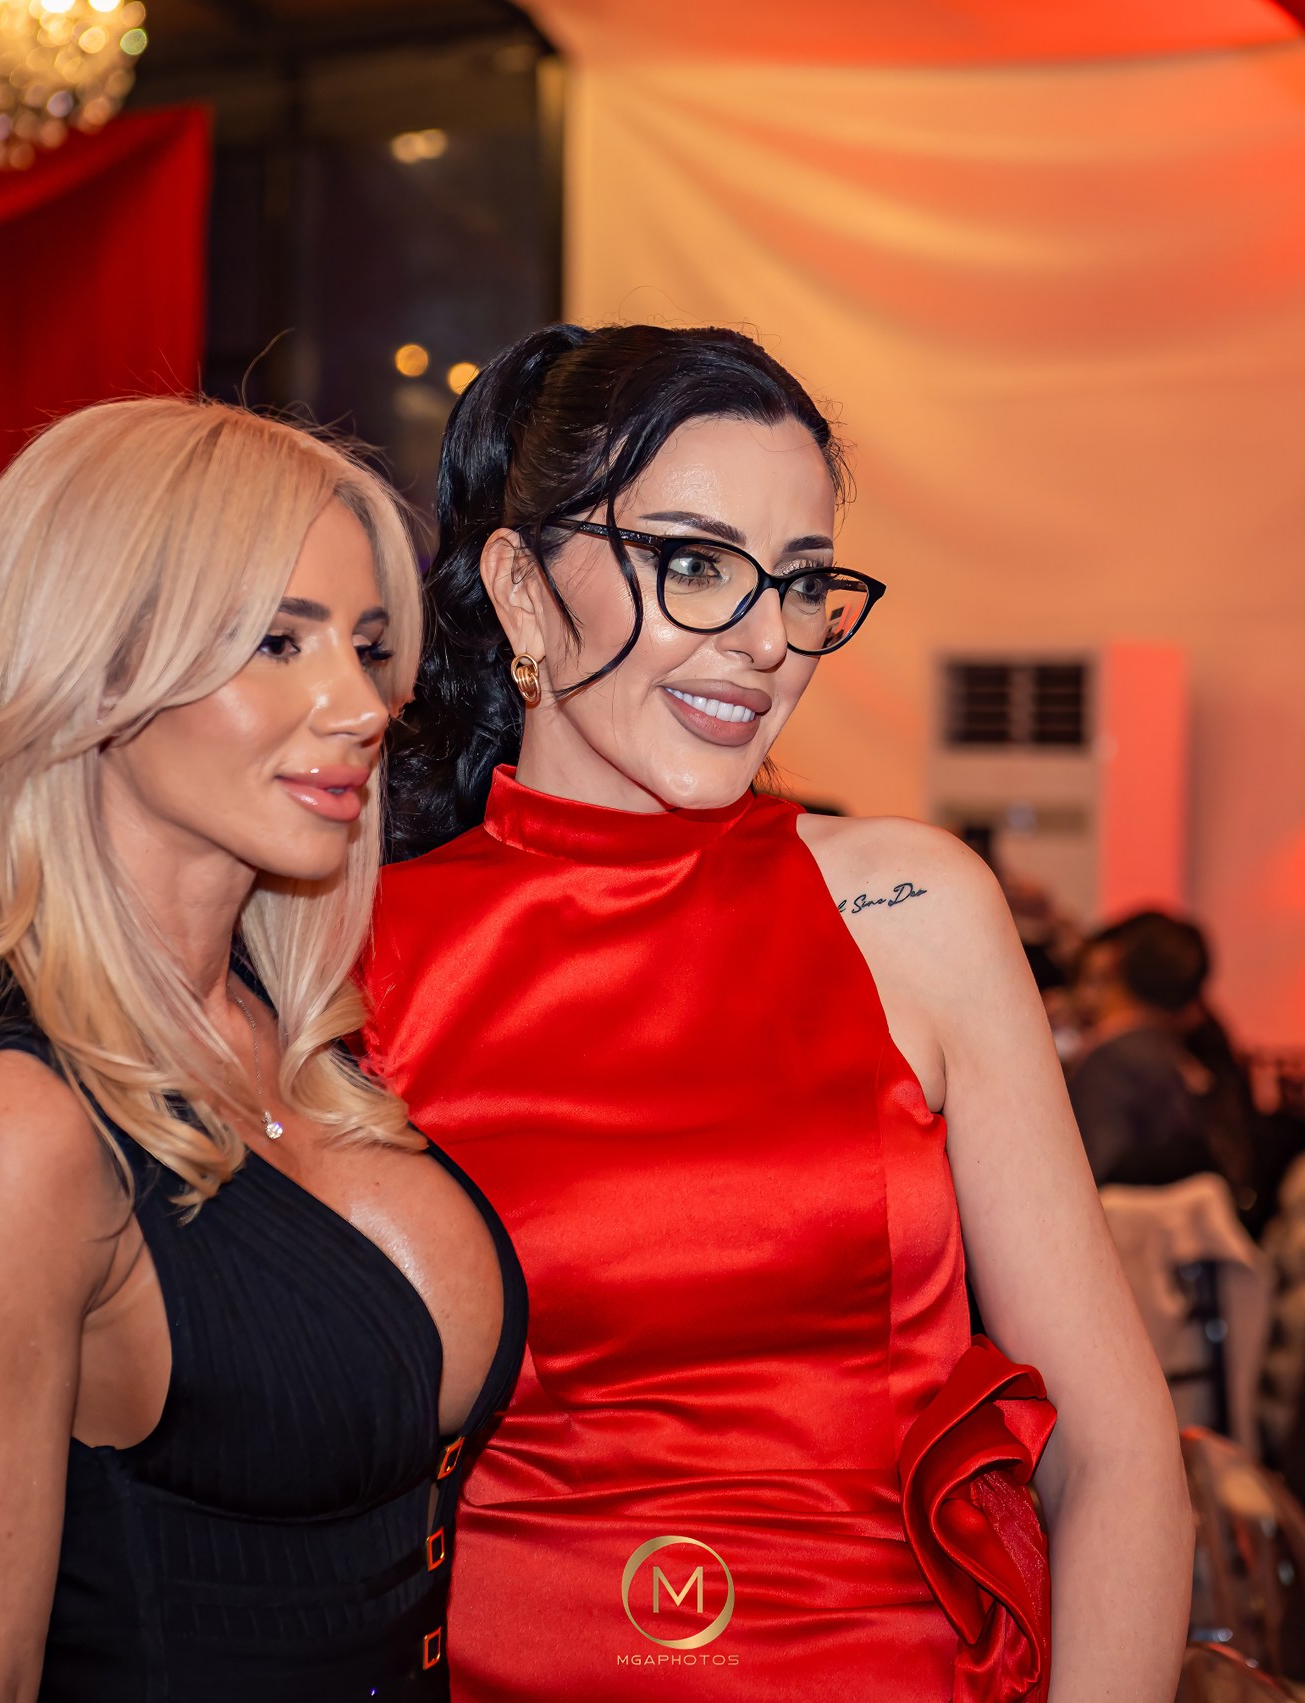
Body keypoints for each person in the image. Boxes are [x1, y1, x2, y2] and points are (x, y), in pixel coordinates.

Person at [367, 323, 1189, 1701]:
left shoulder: (911, 906)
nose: (764, 642)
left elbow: (1113, 1450)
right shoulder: (362, 948)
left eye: (802, 583)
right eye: (694, 564)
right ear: (519, 588)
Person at [0, 397, 526, 1699]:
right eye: (278, 640)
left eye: (368, 647)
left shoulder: (291, 1041)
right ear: (91, 672)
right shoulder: (13, 1126)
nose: (361, 704)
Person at [1066, 911, 1229, 1190]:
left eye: (1098, 979)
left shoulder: (1108, 1062)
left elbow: (1100, 1178)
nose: (1083, 996)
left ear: (1117, 971)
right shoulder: (1177, 1054)